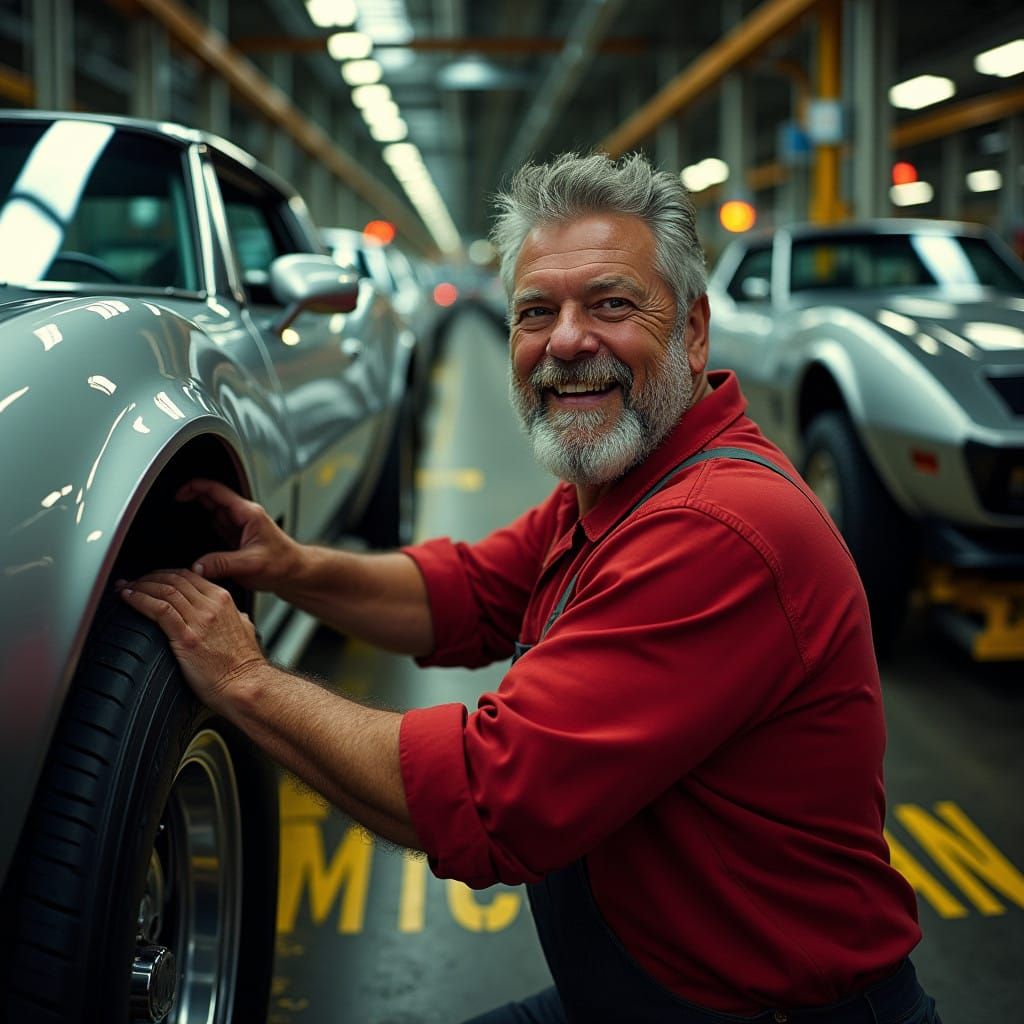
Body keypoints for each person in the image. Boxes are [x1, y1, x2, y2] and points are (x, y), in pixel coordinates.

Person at [119, 153, 940, 1024]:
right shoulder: (624, 485)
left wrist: (246, 678)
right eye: (536, 313)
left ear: (693, 332)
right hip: (639, 993)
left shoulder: (718, 529)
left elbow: (489, 795)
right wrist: (293, 567)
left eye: (611, 304)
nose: (567, 340)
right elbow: (462, 593)